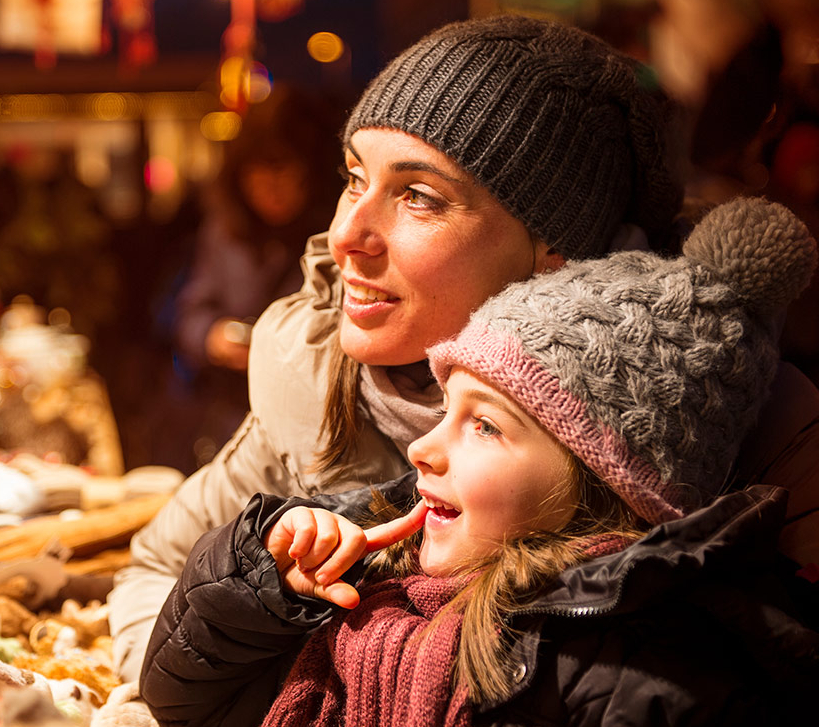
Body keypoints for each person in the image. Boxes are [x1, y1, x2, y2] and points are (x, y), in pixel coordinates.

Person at [106, 13, 819, 684]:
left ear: (554, 253)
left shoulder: (736, 423)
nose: (348, 232)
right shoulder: (316, 381)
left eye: (419, 196)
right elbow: (154, 571)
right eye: (355, 178)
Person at [140, 196, 819, 726]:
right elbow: (189, 702)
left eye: (485, 425)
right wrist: (266, 587)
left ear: (607, 481)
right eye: (447, 410)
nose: (422, 448)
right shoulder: (381, 589)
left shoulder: (653, 677)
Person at [166, 87, 343, 469]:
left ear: (310, 170)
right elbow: (190, 313)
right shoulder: (226, 231)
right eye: (258, 170)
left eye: (284, 168)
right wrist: (213, 337)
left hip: (314, 427)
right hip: (232, 418)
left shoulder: (339, 237)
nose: (270, 185)